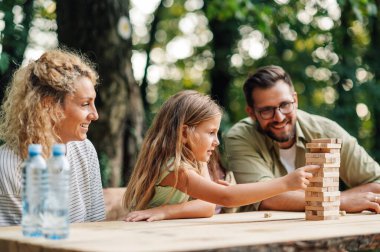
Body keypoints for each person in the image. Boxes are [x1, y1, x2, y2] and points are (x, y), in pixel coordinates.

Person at [123, 90, 318, 222]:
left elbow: (208, 207)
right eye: (210, 133)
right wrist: (286, 183)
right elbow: (226, 198)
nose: (216, 142)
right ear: (184, 134)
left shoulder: (195, 162)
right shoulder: (174, 168)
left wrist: (166, 211)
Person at [224, 65, 380, 213]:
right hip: (262, 231)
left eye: (285, 105)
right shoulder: (240, 137)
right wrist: (339, 201)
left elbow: (376, 182)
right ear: (251, 113)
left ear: (295, 100)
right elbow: (263, 197)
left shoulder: (326, 131)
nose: (279, 117)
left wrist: (336, 201)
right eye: (266, 110)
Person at [0, 49, 105, 226]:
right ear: (49, 105)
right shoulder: (10, 165)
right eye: (85, 104)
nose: (95, 115)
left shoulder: (85, 150)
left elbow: (97, 223)